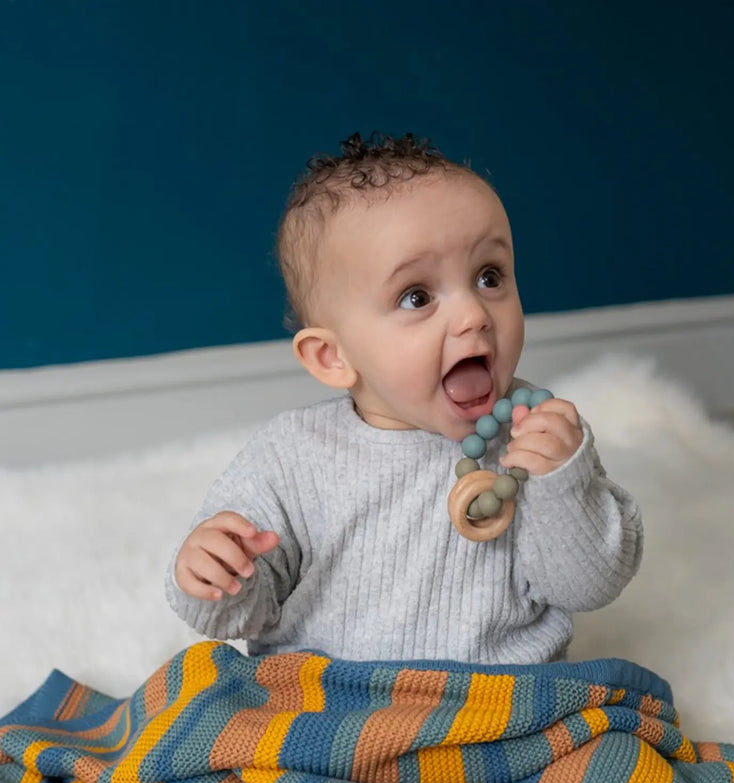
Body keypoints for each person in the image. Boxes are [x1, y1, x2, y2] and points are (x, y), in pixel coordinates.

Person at [165, 131, 643, 665]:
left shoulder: (539, 436)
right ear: (332, 357)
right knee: (195, 703)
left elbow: (590, 586)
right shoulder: (291, 457)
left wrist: (564, 485)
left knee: (617, 739)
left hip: (499, 707)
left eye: (489, 277)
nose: (474, 315)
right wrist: (215, 576)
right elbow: (239, 616)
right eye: (417, 296)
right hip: (332, 705)